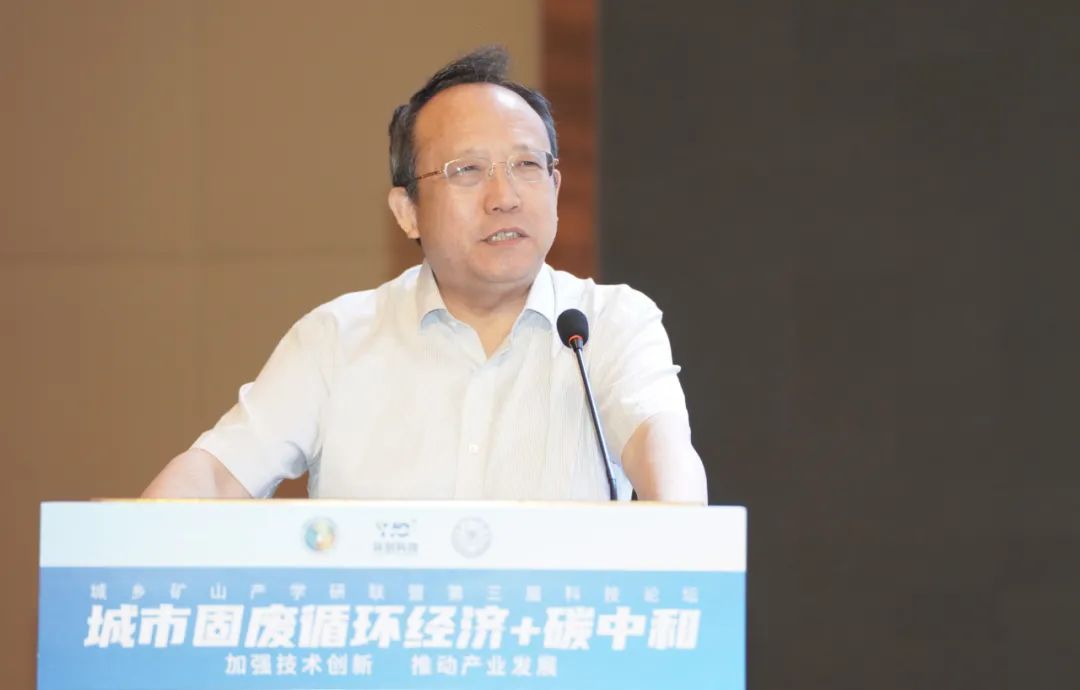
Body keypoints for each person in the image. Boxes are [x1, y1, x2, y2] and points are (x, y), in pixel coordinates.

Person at [142, 46, 707, 503]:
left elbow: (665, 457)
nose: (505, 196)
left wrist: (686, 541)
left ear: (556, 189)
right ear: (407, 211)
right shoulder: (336, 339)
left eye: (526, 165)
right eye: (468, 170)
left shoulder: (610, 324)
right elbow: (216, 476)